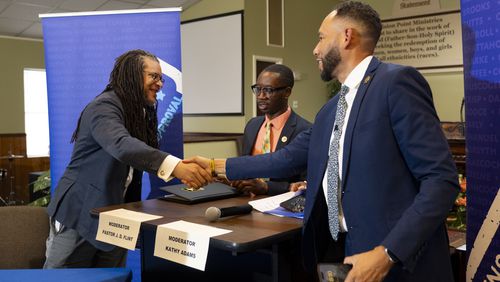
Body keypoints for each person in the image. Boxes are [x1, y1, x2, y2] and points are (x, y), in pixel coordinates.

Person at [186, 2, 459, 281]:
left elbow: (441, 180)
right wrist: (212, 165)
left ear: (346, 36)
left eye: (320, 37)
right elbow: (286, 158)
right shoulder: (331, 110)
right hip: (343, 251)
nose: (315, 49)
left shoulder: (396, 83)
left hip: (395, 261)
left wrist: (387, 252)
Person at [44, 49, 212, 268]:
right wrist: (176, 166)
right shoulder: (103, 106)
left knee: (112, 276)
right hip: (79, 213)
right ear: (131, 75)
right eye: (153, 76)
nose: (160, 84)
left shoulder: (140, 111)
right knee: (63, 276)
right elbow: (122, 145)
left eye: (161, 78)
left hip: (116, 216)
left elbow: (141, 155)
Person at [231, 64, 311, 196]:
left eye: (268, 90)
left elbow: (305, 183)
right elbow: (246, 165)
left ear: (287, 92)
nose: (261, 96)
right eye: (258, 89)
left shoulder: (305, 130)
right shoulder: (252, 125)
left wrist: (267, 187)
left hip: (282, 207)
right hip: (246, 200)